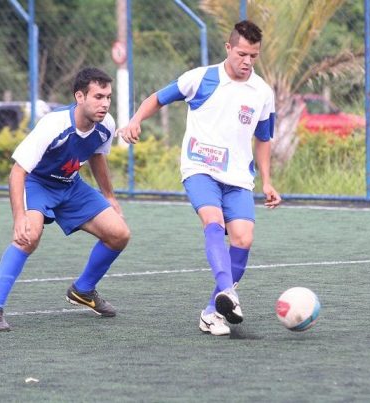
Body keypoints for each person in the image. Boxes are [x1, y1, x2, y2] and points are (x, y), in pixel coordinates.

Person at [118, 20, 281, 336]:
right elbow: (158, 98)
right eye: (243, 54)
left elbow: (263, 138)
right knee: (213, 221)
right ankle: (228, 292)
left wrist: (267, 181)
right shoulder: (201, 78)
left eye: (254, 56)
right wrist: (136, 119)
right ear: (229, 48)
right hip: (199, 168)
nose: (247, 62)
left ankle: (212, 312)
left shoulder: (262, 92)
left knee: (244, 239)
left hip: (238, 177)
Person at [0, 67, 131, 331]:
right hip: (37, 184)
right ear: (80, 97)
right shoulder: (54, 124)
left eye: (108, 97)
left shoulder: (105, 125)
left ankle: (83, 291)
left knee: (119, 234)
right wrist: (19, 218)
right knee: (29, 236)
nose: (105, 104)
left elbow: (97, 156)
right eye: (98, 97)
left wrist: (109, 196)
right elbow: (17, 172)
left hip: (71, 186)